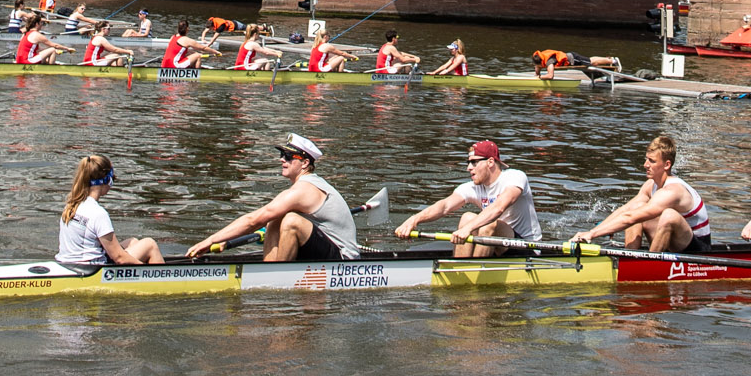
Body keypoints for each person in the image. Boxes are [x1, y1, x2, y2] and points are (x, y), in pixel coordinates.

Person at [186, 135, 363, 263]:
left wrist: (211, 240)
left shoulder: (304, 190)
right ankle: (269, 268)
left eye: (288, 156)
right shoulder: (302, 186)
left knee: (291, 221)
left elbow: (253, 221)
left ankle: (278, 278)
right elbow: (262, 218)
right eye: (281, 154)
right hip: (324, 251)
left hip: (344, 262)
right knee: (275, 218)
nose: (281, 160)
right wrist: (222, 238)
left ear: (305, 163)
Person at [397, 140, 541, 258]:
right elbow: (445, 206)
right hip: (496, 246)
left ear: (490, 162)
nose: (468, 168)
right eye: (468, 163)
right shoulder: (472, 187)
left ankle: (475, 273)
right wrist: (414, 220)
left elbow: (499, 207)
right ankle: (459, 268)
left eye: (474, 162)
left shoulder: (515, 177)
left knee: (487, 224)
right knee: (466, 217)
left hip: (526, 248)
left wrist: (468, 229)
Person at [571, 135, 711, 251]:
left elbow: (630, 218)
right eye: (646, 159)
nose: (645, 165)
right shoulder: (651, 185)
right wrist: (592, 232)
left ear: (667, 165)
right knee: (637, 207)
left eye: (651, 161)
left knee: (669, 215)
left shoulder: (673, 191)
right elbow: (626, 210)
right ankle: (631, 259)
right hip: (675, 244)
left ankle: (650, 266)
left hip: (698, 249)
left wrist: (592, 234)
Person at [57, 154, 165, 266]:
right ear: (107, 180)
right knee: (150, 244)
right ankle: (159, 278)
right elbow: (119, 258)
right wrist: (142, 269)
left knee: (133, 242)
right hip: (92, 268)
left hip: (69, 262)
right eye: (113, 179)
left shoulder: (72, 205)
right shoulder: (98, 213)